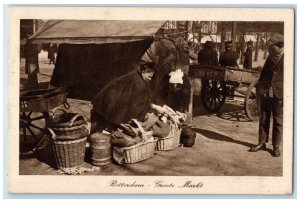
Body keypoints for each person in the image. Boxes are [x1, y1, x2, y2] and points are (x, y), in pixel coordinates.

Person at [91, 61, 156, 133]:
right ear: (144, 71)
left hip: (108, 100)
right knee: (100, 131)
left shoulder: (135, 75)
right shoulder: (138, 83)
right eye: (149, 76)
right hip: (109, 101)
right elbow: (137, 104)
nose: (150, 79)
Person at [249, 34, 284, 157]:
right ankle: (262, 142)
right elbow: (264, 75)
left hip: (280, 94)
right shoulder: (270, 57)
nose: (268, 50)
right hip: (266, 92)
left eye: (271, 47)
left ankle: (276, 146)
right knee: (264, 117)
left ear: (280, 46)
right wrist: (260, 90)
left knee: (278, 120)